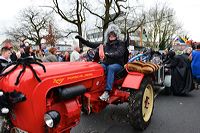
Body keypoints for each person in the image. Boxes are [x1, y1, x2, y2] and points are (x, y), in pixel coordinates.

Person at [76, 24, 127, 101]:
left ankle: (107, 91)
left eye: (113, 34)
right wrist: (81, 39)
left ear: (116, 35)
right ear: (108, 35)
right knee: (98, 67)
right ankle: (95, 88)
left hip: (118, 65)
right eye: (110, 34)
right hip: (107, 64)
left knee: (111, 68)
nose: (111, 36)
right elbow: (91, 44)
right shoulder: (105, 44)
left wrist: (107, 54)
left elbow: (119, 53)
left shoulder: (121, 44)